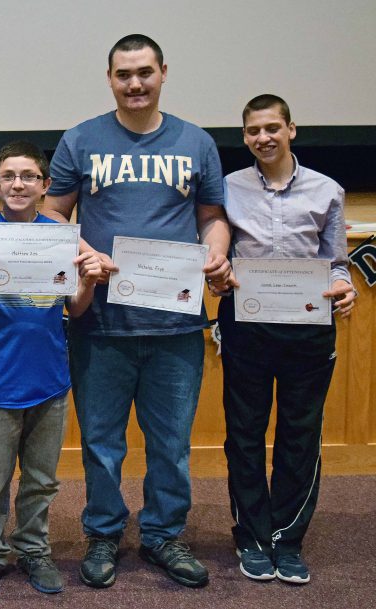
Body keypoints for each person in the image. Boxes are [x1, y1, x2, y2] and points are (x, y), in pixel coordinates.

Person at [41, 34, 232, 589]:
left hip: (176, 322)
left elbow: (212, 215)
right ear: (110, 78)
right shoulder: (81, 139)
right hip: (100, 321)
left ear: (163, 73)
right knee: (102, 442)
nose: (135, 83)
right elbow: (53, 213)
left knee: (170, 442)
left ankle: (164, 535)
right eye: (124, 74)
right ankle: (103, 533)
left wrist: (216, 248)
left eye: (145, 72)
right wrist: (80, 249)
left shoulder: (196, 142)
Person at [219, 94, 357, 585]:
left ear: (291, 129)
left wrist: (344, 287)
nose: (264, 138)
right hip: (246, 325)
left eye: (272, 127)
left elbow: (337, 262)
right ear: (244, 137)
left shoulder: (328, 190)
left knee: (300, 434)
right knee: (245, 432)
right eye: (254, 130)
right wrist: (219, 273)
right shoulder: (227, 188)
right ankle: (253, 536)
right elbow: (216, 254)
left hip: (308, 329)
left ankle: (288, 538)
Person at [0, 141, 100, 601]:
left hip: (51, 380)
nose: (17, 184)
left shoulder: (61, 235)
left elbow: (75, 310)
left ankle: (34, 548)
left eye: (28, 176)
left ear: (45, 185)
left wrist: (89, 284)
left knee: (42, 478)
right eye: (8, 176)